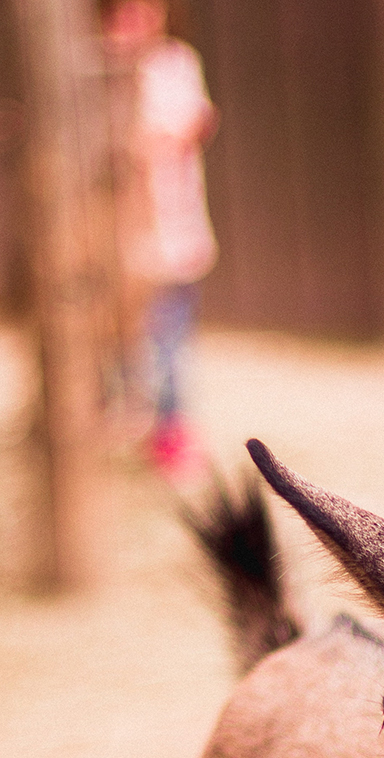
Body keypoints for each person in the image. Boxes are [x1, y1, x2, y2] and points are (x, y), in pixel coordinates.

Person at [101, 1, 218, 474]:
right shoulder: (94, 72)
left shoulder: (175, 63)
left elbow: (192, 123)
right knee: (115, 335)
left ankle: (170, 430)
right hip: (113, 238)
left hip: (169, 229)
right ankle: (123, 420)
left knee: (169, 336)